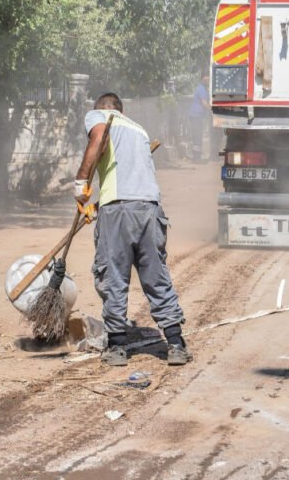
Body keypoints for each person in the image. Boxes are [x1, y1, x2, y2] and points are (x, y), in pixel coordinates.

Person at [74, 93, 190, 367]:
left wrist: (81, 183)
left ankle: (116, 347)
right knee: (156, 277)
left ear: (103, 109)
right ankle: (175, 344)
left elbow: (99, 137)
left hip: (117, 212)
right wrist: (97, 203)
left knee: (113, 276)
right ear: (122, 111)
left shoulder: (100, 117)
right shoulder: (139, 130)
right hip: (150, 209)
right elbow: (129, 175)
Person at [186, 73, 211, 162]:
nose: (207, 81)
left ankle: (197, 156)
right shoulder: (201, 89)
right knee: (197, 136)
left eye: (208, 80)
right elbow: (204, 103)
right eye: (205, 80)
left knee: (198, 135)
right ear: (202, 79)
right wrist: (213, 109)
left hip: (197, 115)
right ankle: (196, 157)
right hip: (196, 115)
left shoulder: (202, 88)